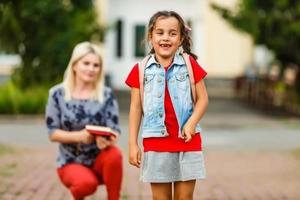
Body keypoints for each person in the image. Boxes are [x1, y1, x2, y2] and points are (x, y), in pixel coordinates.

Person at [125, 11, 208, 200]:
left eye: (172, 33)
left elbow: (203, 99)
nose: (165, 38)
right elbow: (135, 108)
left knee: (184, 198)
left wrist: (191, 123)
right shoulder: (140, 70)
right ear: (150, 37)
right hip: (156, 143)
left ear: (180, 39)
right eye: (160, 33)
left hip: (187, 142)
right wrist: (132, 144)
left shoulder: (190, 65)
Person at [45, 41, 122, 200]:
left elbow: (115, 129)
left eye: (96, 65)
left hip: (100, 161)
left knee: (115, 154)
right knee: (87, 184)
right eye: (86, 63)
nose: (91, 69)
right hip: (71, 162)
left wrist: (108, 140)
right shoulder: (57, 94)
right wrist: (80, 136)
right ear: (74, 65)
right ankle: (80, 190)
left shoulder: (106, 94)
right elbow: (52, 133)